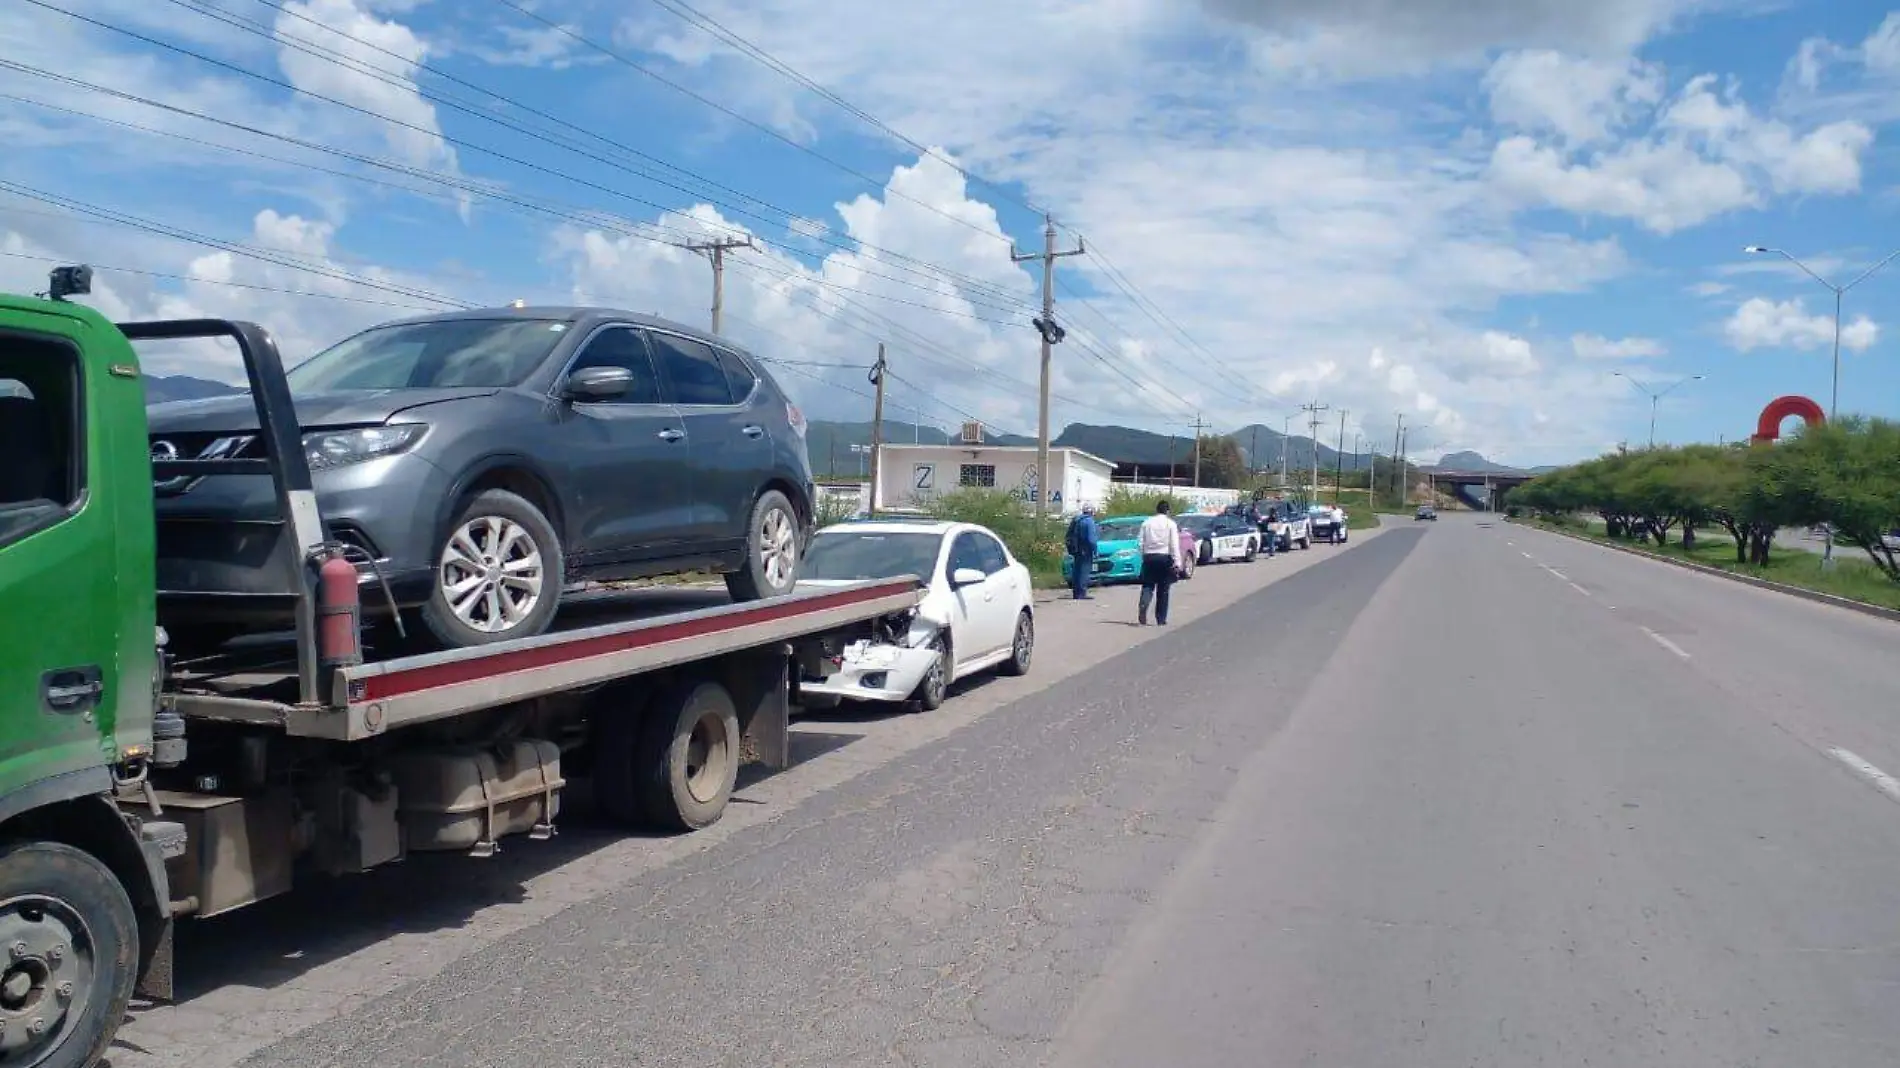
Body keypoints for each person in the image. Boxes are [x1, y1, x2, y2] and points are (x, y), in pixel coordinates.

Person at [1136, 499, 1182, 625]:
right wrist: (1177, 562)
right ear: (1167, 511)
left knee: (1147, 584)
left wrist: (1144, 556)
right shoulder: (1170, 524)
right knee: (1163, 589)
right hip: (1164, 557)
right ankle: (1160, 619)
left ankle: (1144, 603)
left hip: (1149, 557)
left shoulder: (1146, 523)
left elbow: (1140, 542)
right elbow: (1174, 544)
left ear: (1156, 510)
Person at [1064, 502, 1100, 600]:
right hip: (1086, 550)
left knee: (1077, 570)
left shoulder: (1077, 519)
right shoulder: (1089, 521)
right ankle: (1082, 593)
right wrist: (1095, 550)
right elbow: (1091, 539)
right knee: (1084, 571)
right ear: (1092, 511)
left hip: (1076, 549)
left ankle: (1076, 593)